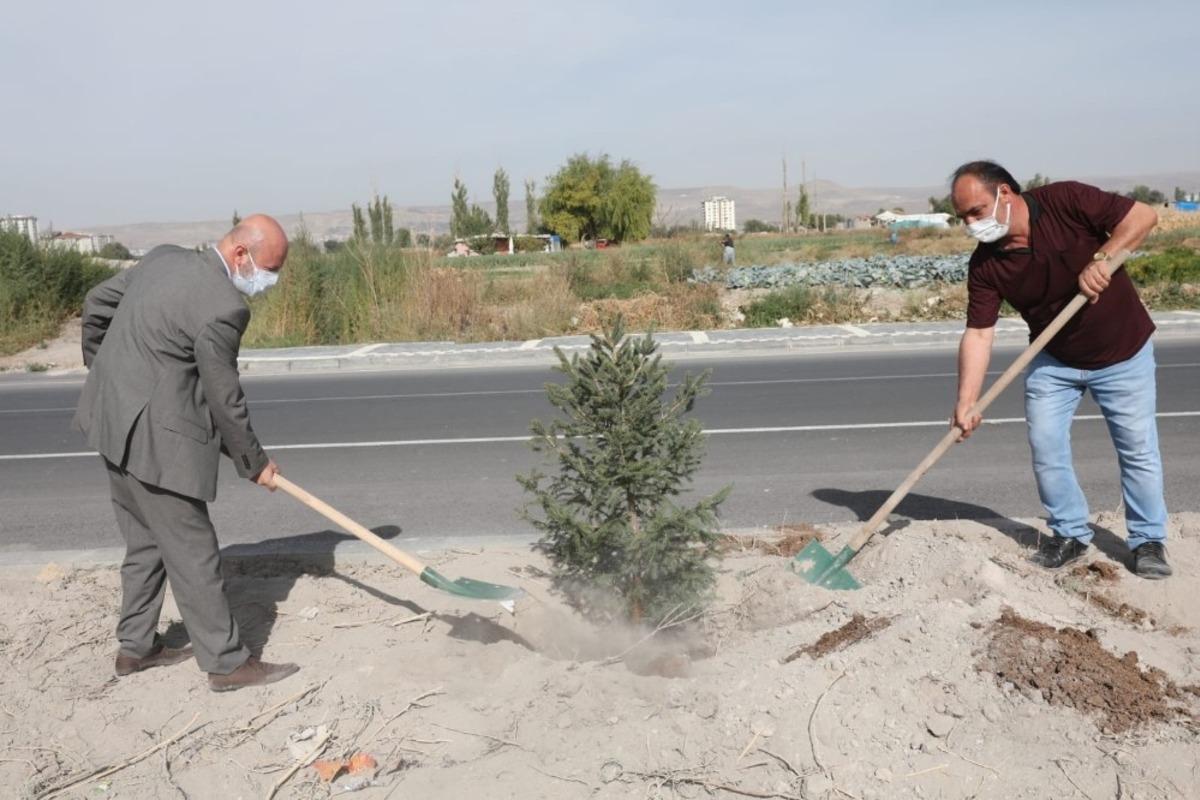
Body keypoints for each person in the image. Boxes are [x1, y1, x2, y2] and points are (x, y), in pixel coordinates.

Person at [74, 214, 302, 690]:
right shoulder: (224, 307)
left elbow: (96, 305)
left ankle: (135, 649)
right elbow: (224, 398)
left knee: (145, 542)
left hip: (111, 422)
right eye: (268, 270)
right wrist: (255, 464)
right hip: (158, 443)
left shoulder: (163, 258)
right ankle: (226, 663)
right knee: (195, 553)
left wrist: (105, 373)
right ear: (241, 254)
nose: (268, 282)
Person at [949, 161, 1170, 579]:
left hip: (1123, 352)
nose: (971, 224)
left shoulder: (1065, 200)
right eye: (963, 218)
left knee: (1137, 450)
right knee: (1046, 446)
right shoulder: (986, 265)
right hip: (1055, 360)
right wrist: (966, 402)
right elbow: (979, 334)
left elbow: (1144, 216)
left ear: (1006, 194)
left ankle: (1147, 541)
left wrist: (1104, 259)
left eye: (976, 211)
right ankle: (1069, 534)